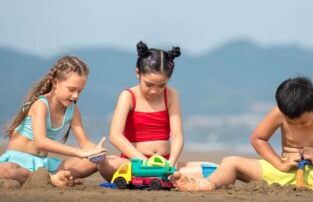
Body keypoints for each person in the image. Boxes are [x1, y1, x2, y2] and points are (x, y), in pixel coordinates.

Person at [171, 77, 313, 198]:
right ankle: (208, 184)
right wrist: (280, 163)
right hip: (284, 173)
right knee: (231, 161)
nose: (298, 125)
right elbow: (258, 138)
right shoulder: (279, 112)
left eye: (303, 121)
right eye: (292, 122)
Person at [0, 56, 107, 187]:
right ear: (55, 83)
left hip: (44, 164)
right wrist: (78, 152)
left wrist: (97, 152)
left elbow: (84, 144)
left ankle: (55, 178)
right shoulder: (40, 104)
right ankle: (51, 179)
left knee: (94, 162)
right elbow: (41, 142)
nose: (76, 96)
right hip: (18, 162)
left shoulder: (73, 110)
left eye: (80, 91)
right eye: (71, 89)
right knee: (6, 170)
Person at [99, 41, 186, 181]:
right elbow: (115, 135)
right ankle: (152, 175)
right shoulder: (128, 96)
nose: (154, 91)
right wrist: (144, 163)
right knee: (106, 165)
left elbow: (177, 136)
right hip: (135, 162)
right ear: (138, 73)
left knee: (210, 168)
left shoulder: (171, 95)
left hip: (164, 162)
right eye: (149, 84)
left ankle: (161, 176)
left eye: (161, 86)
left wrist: (172, 163)